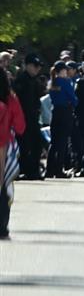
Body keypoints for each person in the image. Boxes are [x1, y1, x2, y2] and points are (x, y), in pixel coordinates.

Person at [0, 74, 26, 239]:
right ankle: (2, 225)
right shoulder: (11, 99)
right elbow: (20, 127)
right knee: (5, 186)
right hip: (4, 145)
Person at [13, 53, 44, 181]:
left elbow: (37, 100)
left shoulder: (35, 81)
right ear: (27, 66)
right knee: (24, 146)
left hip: (33, 118)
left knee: (37, 143)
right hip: (22, 119)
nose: (37, 69)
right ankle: (24, 171)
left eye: (39, 66)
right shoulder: (20, 80)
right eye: (35, 66)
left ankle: (33, 171)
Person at [46, 62, 77, 179]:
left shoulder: (52, 83)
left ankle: (49, 170)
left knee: (53, 142)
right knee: (63, 142)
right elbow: (73, 98)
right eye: (65, 70)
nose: (67, 72)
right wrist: (73, 102)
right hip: (65, 112)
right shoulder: (66, 82)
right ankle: (59, 170)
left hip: (55, 112)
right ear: (62, 70)